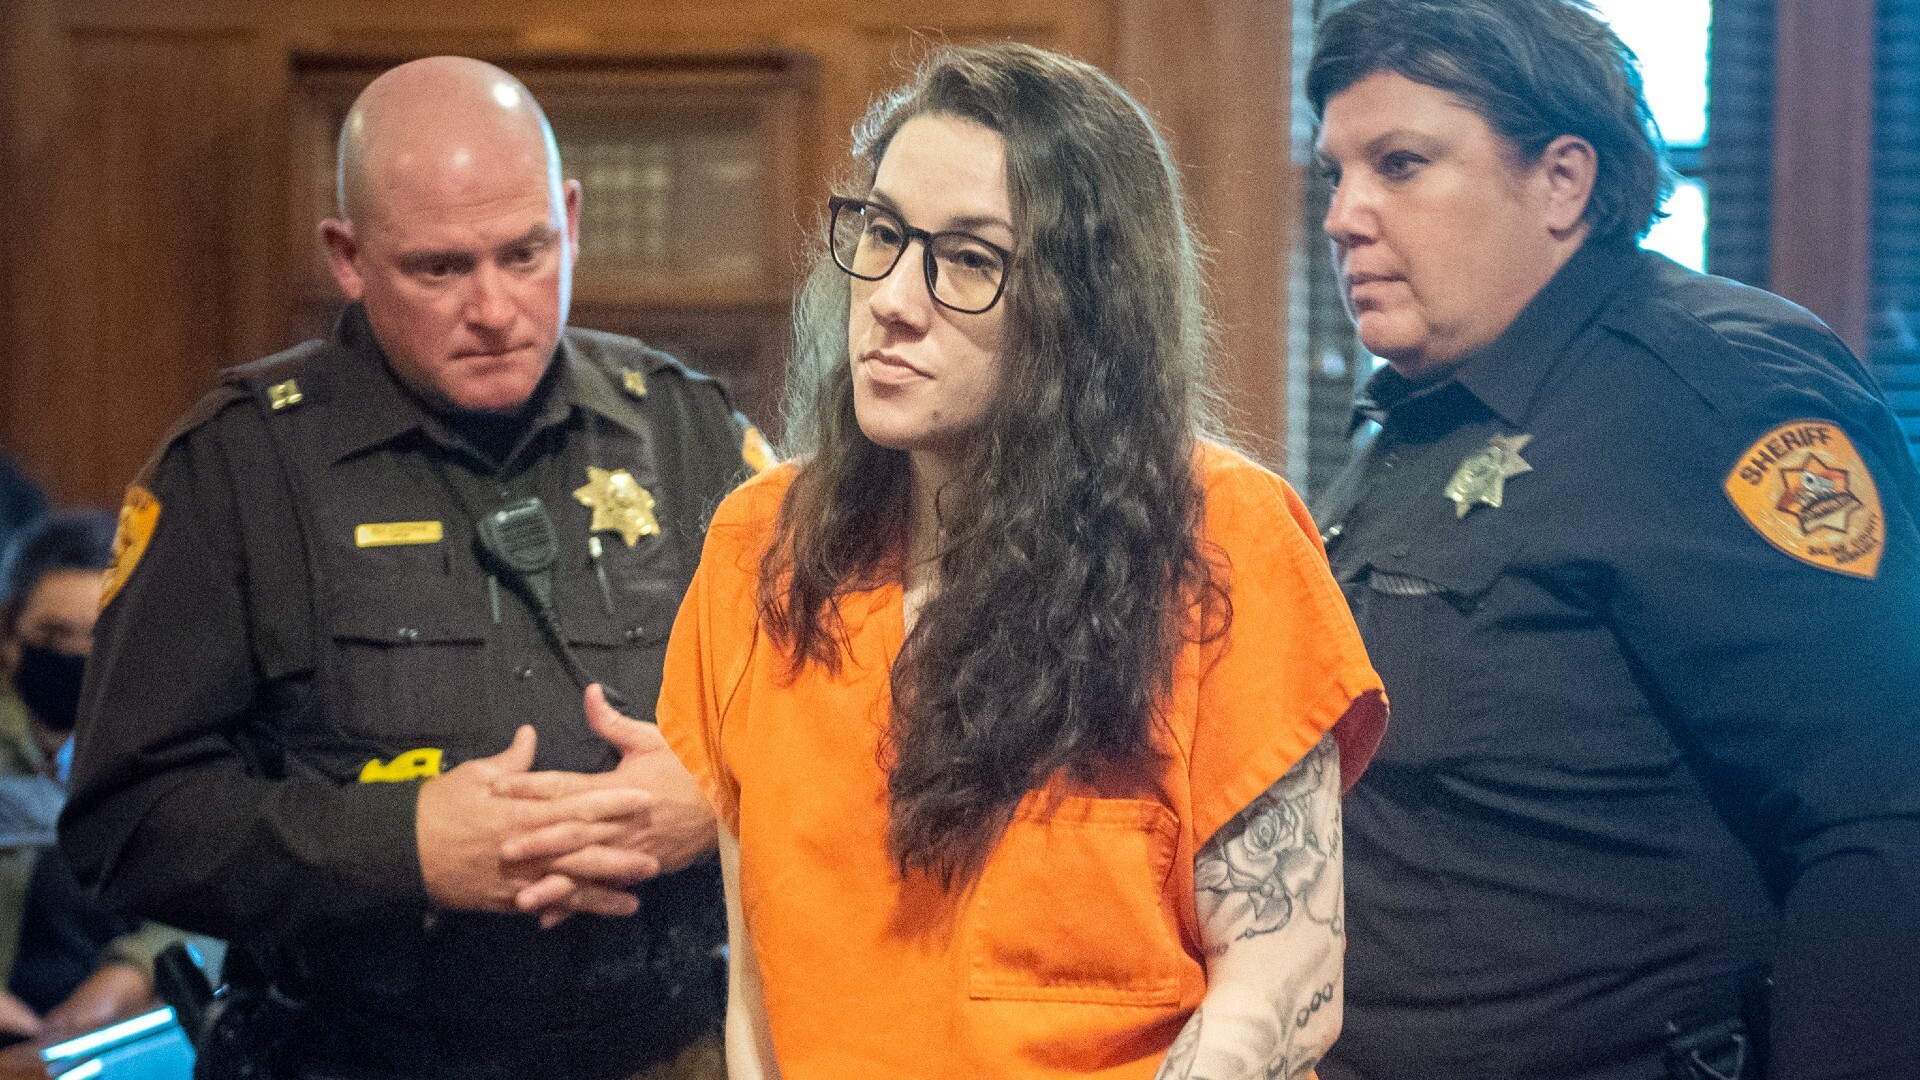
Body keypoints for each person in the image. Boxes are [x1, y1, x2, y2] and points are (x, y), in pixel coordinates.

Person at [652, 43, 1387, 1079]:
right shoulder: (759, 548)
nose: (895, 299)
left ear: (1082, 308)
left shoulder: (1226, 539)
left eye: (967, 259)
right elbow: (755, 1000)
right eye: (884, 234)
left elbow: (1286, 977)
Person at [60, 56, 768, 1080]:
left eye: (526, 253)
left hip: (667, 1049)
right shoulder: (237, 467)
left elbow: (838, 728)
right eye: (439, 269)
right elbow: (125, 823)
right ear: (348, 257)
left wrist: (719, 799)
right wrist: (404, 847)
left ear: (570, 219)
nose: (494, 307)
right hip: (355, 1053)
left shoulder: (687, 429)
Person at [1304, 2, 1920, 1078]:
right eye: (1335, 173)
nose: (1345, 215)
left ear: (1562, 181)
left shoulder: (1719, 391)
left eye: (1400, 164)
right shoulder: (1412, 412)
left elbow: (1881, 821)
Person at [0, 510, 192, 1055]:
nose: (77, 659)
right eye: (54, 635)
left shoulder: (174, 751)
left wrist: (133, 972)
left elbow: (220, 902)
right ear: (11, 633)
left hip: (123, 1039)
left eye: (100, 636)